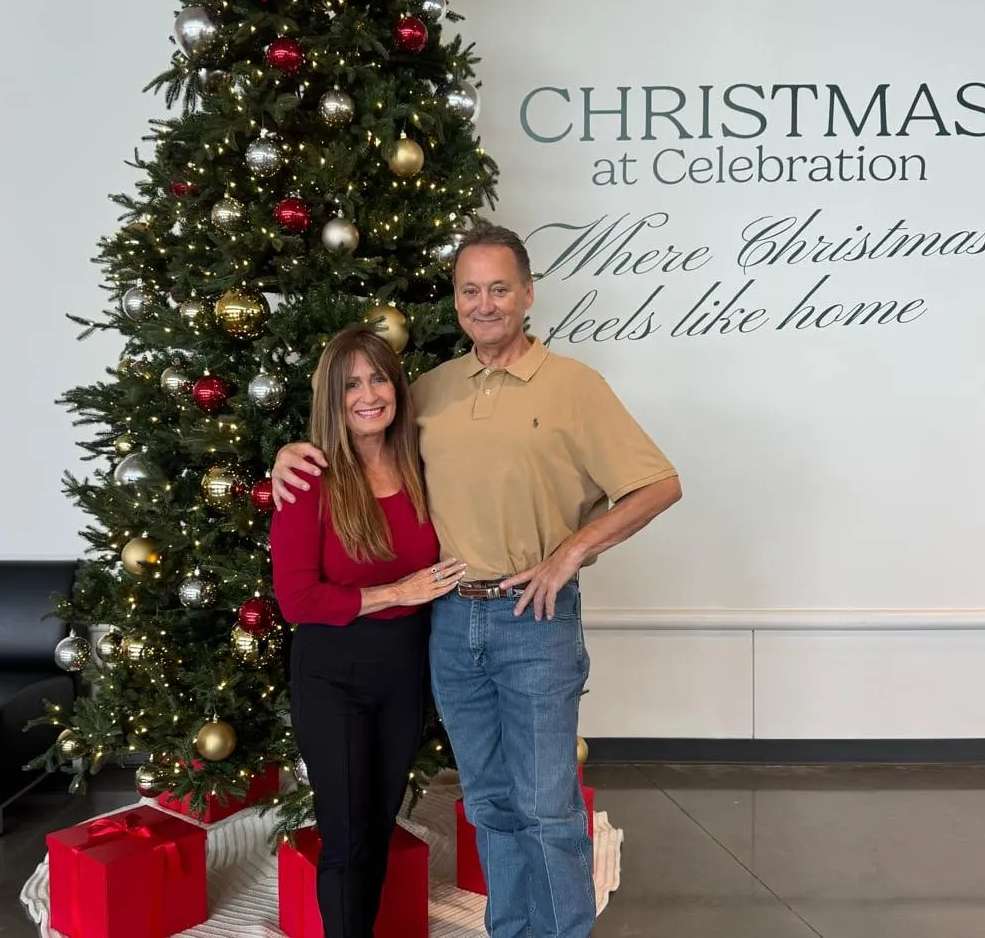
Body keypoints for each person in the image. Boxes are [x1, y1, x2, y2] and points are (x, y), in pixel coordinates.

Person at [272, 224, 682, 938]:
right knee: (488, 802)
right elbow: (359, 442)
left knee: (547, 807)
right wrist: (289, 454)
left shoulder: (574, 387)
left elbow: (657, 485)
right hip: (452, 626)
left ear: (527, 294)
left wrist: (570, 554)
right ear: (455, 300)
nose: (484, 303)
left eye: (499, 288)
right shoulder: (428, 391)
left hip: (533, 616)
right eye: (470, 290)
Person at [269, 324, 467, 938]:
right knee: (347, 836)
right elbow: (296, 598)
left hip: (404, 671)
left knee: (377, 827)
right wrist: (396, 593)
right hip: (335, 673)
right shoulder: (310, 478)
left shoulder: (421, 464)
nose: (367, 394)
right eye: (350, 383)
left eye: (378, 377)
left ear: (397, 387)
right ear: (332, 397)